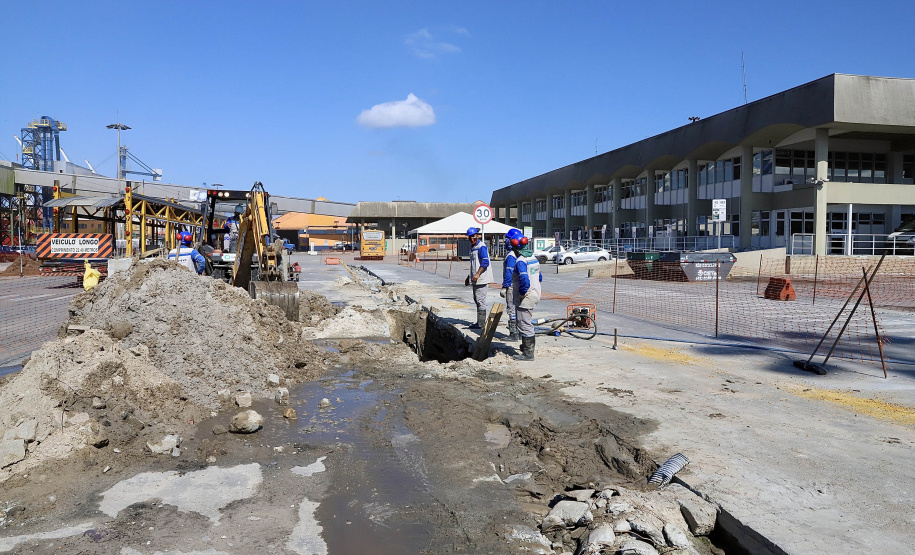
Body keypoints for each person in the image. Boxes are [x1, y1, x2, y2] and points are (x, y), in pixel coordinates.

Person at [509, 231, 542, 360]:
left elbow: (524, 280)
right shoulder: (533, 258)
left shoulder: (521, 261)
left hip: (526, 296)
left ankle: (528, 354)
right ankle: (525, 347)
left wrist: (522, 293)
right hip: (535, 293)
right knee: (523, 322)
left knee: (524, 323)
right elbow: (539, 276)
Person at [465, 226, 493, 329]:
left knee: (481, 300)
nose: (472, 239)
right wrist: (469, 276)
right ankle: (479, 321)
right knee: (477, 299)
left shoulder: (481, 247)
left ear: (478, 236)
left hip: (481, 278)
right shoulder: (473, 248)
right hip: (476, 278)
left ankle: (481, 324)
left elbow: (485, 262)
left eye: (474, 237)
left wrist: (477, 274)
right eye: (470, 237)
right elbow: (474, 265)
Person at [500, 228, 523, 342]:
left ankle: (513, 334)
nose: (505, 241)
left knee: (511, 308)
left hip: (512, 286)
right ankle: (519, 333)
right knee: (519, 308)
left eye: (507, 239)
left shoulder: (511, 255)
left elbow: (509, 271)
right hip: (520, 284)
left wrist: (505, 286)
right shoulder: (521, 254)